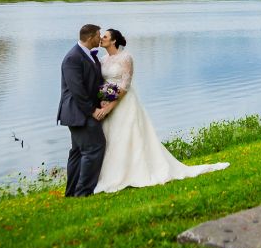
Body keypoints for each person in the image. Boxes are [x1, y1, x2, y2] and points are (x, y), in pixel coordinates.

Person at [92, 28, 228, 193]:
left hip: (123, 102)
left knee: (127, 135)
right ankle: (111, 174)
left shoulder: (126, 57)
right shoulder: (102, 59)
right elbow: (102, 83)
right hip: (107, 101)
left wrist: (110, 106)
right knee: (112, 137)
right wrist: (102, 102)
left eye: (105, 36)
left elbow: (125, 85)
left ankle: (133, 172)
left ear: (113, 40)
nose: (101, 38)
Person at [56, 23, 105, 197]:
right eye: (99, 35)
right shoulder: (73, 58)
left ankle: (72, 193)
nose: (101, 38)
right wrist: (92, 111)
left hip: (81, 112)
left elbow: (93, 84)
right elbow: (77, 90)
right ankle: (83, 193)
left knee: (77, 153)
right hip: (79, 113)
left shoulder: (90, 56)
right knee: (94, 148)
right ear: (91, 37)